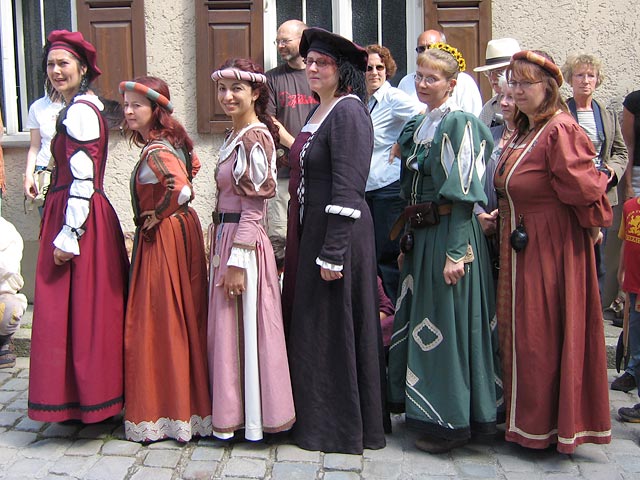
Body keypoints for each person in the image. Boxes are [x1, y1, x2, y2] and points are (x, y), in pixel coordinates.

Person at [494, 50, 612, 453]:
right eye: (514, 82)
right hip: (521, 243)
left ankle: (546, 427)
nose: (518, 90)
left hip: (551, 249)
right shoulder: (527, 129)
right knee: (523, 335)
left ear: (549, 88)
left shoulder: (560, 129)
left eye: (526, 83)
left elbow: (585, 188)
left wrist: (592, 223)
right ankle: (522, 421)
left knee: (540, 336)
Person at [387, 43, 501, 454]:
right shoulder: (421, 124)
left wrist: (457, 252)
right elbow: (410, 189)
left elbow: (464, 195)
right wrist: (406, 242)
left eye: (431, 78)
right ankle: (424, 410)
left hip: (452, 233)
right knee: (424, 318)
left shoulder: (460, 125)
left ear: (451, 84)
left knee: (447, 324)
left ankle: (450, 420)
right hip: (422, 237)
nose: (421, 83)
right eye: (418, 76)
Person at [283, 27, 386, 454]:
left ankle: (338, 426)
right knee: (315, 326)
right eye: (308, 61)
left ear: (341, 70)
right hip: (314, 234)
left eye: (321, 62)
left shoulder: (348, 112)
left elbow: (348, 187)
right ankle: (316, 418)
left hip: (338, 239)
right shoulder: (317, 112)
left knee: (334, 326)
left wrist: (333, 253)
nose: (311, 67)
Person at [27, 30, 129, 423]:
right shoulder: (75, 107)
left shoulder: (82, 110)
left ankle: (90, 401)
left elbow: (83, 176)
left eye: (63, 64)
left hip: (79, 217)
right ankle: (77, 401)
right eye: (51, 64)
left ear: (82, 69)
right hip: (72, 210)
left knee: (83, 311)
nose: (55, 71)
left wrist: (70, 235)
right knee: (71, 312)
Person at [119, 77, 211, 442]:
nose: (127, 111)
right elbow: (195, 167)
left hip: (165, 239)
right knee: (182, 317)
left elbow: (182, 188)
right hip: (181, 232)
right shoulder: (173, 142)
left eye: (136, 106)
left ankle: (165, 410)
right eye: (125, 105)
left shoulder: (156, 150)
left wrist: (157, 213)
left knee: (159, 320)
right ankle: (187, 408)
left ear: (155, 110)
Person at [209, 59, 295, 441]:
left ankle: (255, 418)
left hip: (243, 242)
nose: (227, 96)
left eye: (236, 89)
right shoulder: (235, 135)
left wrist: (239, 263)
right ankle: (236, 414)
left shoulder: (256, 138)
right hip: (226, 238)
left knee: (245, 326)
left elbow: (254, 207)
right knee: (229, 330)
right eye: (222, 89)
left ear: (256, 93)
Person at [562, 53, 628, 309]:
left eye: (590, 75)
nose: (585, 80)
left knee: (599, 259)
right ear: (570, 79)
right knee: (575, 255)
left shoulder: (607, 115)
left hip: (603, 194)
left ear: (598, 80)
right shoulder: (562, 112)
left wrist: (612, 170)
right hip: (574, 197)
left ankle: (595, 313)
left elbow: (621, 152)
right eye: (580, 75)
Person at [365, 44, 423, 303]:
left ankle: (395, 315)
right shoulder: (364, 102)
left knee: (386, 255)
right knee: (370, 255)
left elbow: (423, 115)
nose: (374, 72)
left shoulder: (393, 98)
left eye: (379, 67)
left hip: (387, 187)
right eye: (368, 68)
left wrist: (402, 142)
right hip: (366, 189)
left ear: (387, 70)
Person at [266, 20, 318, 275]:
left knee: (314, 237)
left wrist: (313, 150)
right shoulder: (272, 79)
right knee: (279, 239)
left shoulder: (318, 75)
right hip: (284, 174)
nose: (280, 46)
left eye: (285, 40)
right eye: (278, 41)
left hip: (318, 173)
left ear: (303, 39)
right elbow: (270, 120)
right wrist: (299, 146)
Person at [474, 79, 519, 277]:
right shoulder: (486, 135)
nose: (504, 103)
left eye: (511, 97)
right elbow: (468, 179)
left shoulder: (533, 138)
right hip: (484, 231)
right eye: (502, 97)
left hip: (517, 231)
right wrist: (478, 214)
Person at [397, 30, 482, 116]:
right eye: (421, 49)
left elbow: (473, 118)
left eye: (431, 79)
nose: (426, 52)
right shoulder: (406, 82)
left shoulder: (464, 81)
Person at [616, 195, 640, 421]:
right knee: (635, 343)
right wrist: (621, 272)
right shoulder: (629, 207)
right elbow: (625, 241)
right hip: (633, 286)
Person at [24, 79, 64, 211]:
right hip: (45, 171)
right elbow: (34, 146)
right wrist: (29, 175)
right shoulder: (37, 107)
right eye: (50, 65)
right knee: (48, 223)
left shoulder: (77, 103)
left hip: (69, 170)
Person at [0, 217, 28, 369]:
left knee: (10, 307)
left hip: (2, 293)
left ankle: (2, 343)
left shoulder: (5, 230)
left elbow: (8, 271)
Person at [474, 38, 521, 127]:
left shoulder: (528, 104)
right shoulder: (489, 108)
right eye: (489, 72)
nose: (492, 77)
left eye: (499, 71)